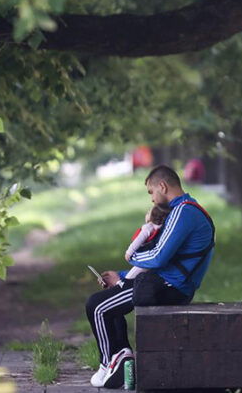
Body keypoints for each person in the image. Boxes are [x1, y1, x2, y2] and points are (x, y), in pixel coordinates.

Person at [84, 165, 215, 388]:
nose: (153, 200)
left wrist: (130, 255)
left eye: (151, 192)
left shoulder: (184, 211)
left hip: (170, 287)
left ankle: (107, 364)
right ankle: (122, 358)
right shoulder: (183, 210)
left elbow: (158, 257)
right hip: (163, 283)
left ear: (162, 186)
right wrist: (122, 277)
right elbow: (162, 257)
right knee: (105, 301)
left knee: (97, 307)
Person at [123, 203, 171, 280]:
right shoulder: (159, 227)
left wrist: (129, 252)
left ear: (152, 217)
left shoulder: (148, 228)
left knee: (130, 276)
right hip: (149, 257)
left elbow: (139, 240)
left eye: (148, 212)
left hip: (144, 255)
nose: (146, 214)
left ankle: (124, 284)